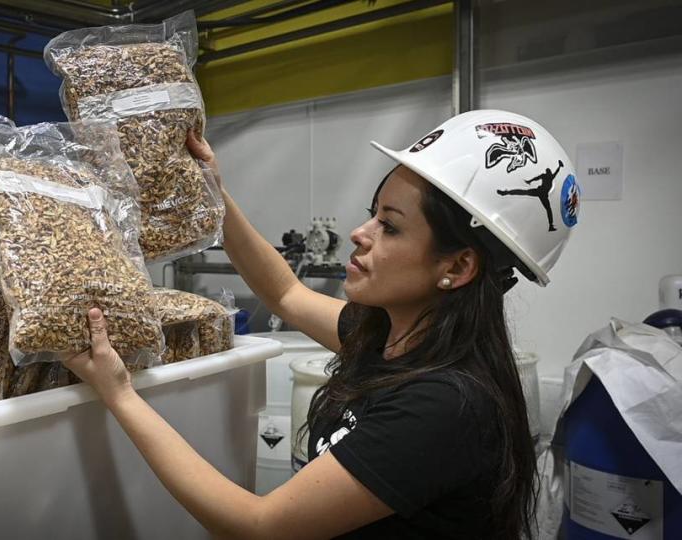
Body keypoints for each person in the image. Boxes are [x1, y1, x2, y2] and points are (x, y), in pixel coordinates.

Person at [63, 110, 581, 539]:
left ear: (457, 267)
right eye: (372, 213)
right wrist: (214, 193)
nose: (361, 233)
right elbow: (287, 293)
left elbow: (260, 525)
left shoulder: (446, 405)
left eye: (391, 226)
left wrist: (121, 394)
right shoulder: (390, 338)